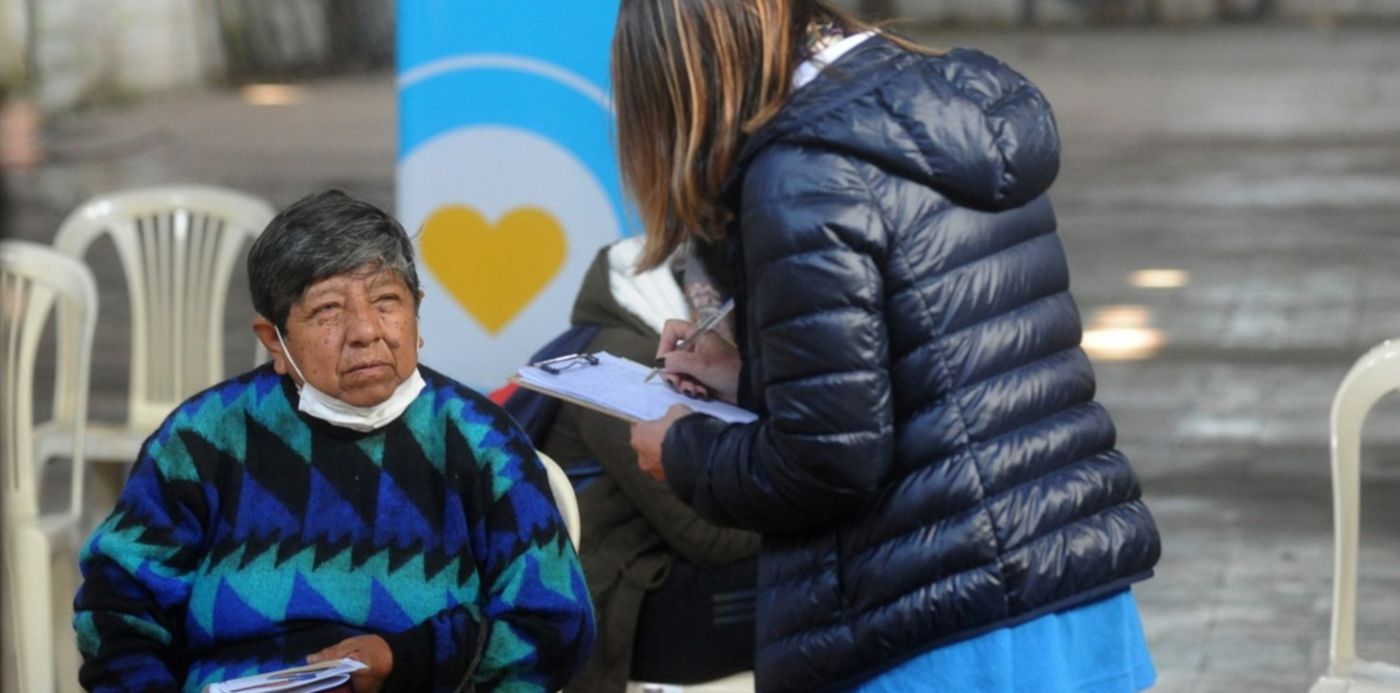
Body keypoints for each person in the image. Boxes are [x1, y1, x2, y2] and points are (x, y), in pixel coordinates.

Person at [616, 2, 1162, 692]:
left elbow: (825, 462)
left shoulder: (800, 174)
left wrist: (681, 447)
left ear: (691, 73)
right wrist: (753, 377)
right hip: (1068, 591)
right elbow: (934, 359)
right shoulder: (942, 105)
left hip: (930, 624)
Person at [72, 190, 595, 693]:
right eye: (327, 312)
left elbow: (553, 624)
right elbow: (117, 605)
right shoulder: (204, 437)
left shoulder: (482, 442)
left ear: (417, 312)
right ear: (273, 341)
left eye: (387, 301)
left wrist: (405, 662)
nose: (366, 331)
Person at [524, 237, 759, 692]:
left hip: (629, 589)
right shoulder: (629, 363)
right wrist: (803, 506)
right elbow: (703, 536)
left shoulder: (598, 346)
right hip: (622, 610)